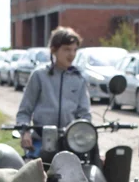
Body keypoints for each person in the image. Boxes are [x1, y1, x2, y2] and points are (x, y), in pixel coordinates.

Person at [15, 27, 92, 159]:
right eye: (67, 49)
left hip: (71, 142)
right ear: (54, 50)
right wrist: (25, 132)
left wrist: (85, 135)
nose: (71, 54)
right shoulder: (39, 75)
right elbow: (24, 111)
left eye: (74, 50)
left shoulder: (79, 78)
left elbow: (85, 114)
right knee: (32, 174)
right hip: (42, 140)